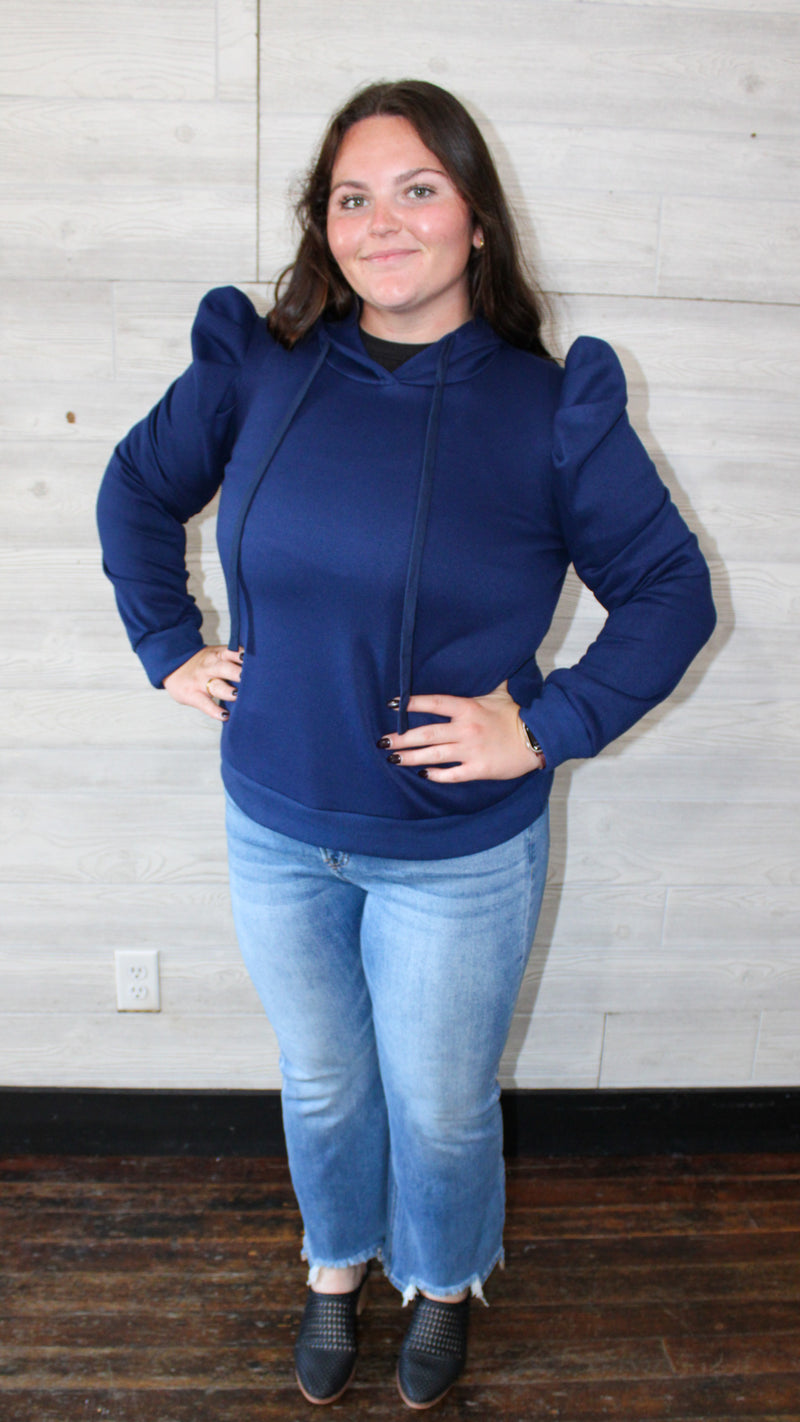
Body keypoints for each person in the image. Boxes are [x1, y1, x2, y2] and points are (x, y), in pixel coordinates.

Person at [97, 79, 716, 1410]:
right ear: (323, 226)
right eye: (353, 197)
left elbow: (672, 592)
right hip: (275, 822)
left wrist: (545, 725)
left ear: (476, 217)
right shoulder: (259, 366)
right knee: (323, 1082)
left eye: (418, 189)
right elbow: (138, 487)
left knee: (440, 1104)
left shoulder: (551, 408)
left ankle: (443, 1277)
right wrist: (167, 641)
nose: (383, 222)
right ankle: (336, 1263)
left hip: (455, 853)